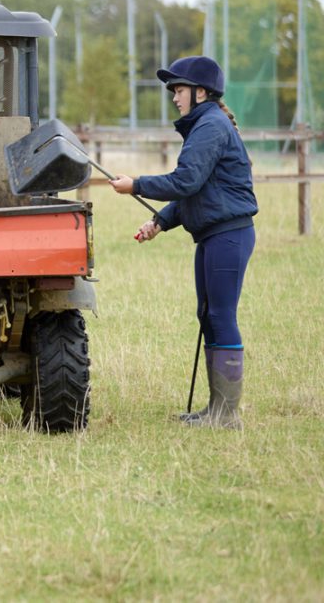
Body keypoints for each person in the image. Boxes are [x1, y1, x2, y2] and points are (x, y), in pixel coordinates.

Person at [108, 55, 257, 429]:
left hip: (228, 235)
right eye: (173, 90)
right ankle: (215, 410)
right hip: (213, 235)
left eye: (178, 89)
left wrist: (136, 185)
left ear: (200, 92)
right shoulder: (205, 125)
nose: (174, 97)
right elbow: (200, 190)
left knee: (221, 316)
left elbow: (185, 181)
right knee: (208, 315)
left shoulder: (210, 125)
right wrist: (160, 221)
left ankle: (226, 415)